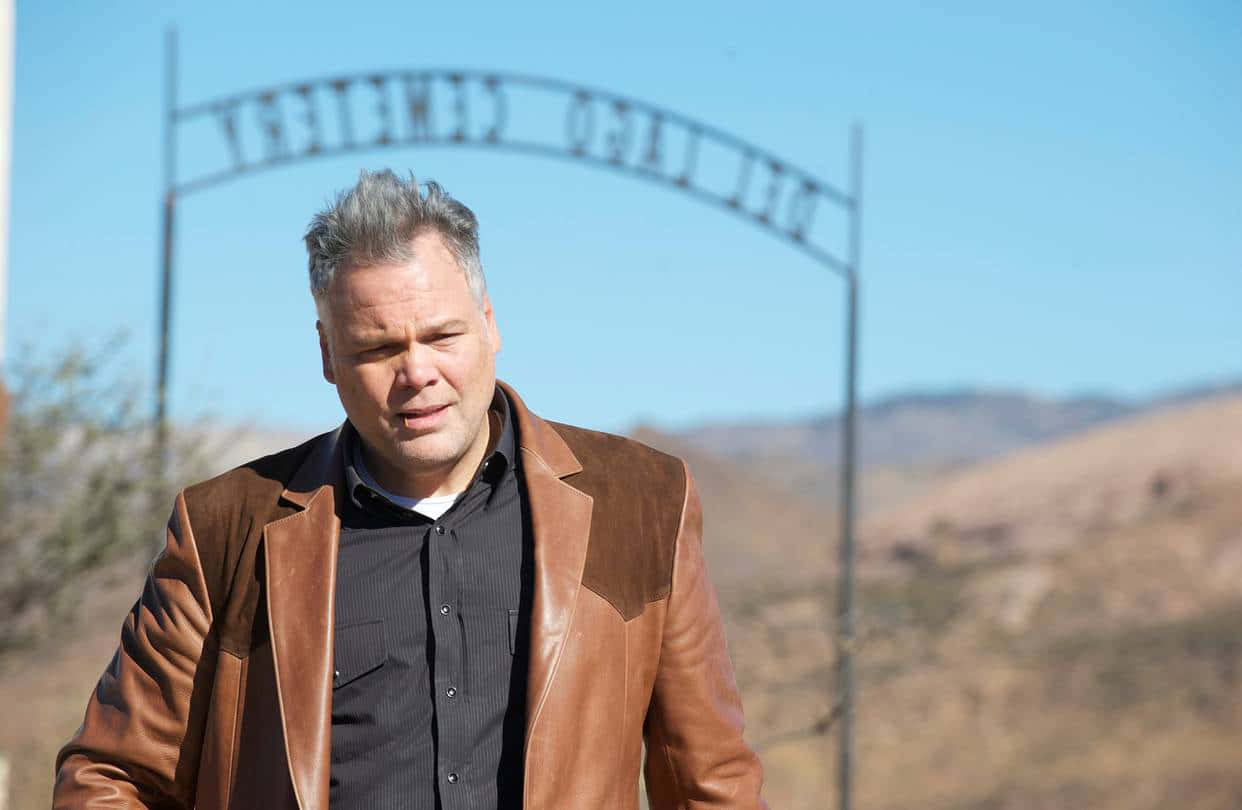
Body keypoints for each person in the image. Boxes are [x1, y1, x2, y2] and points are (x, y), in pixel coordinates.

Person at [54, 170, 766, 809]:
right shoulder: (225, 531)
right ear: (328, 355)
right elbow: (111, 776)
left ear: (490, 326)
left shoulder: (639, 504)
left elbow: (712, 787)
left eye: (441, 335)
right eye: (378, 348)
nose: (417, 371)